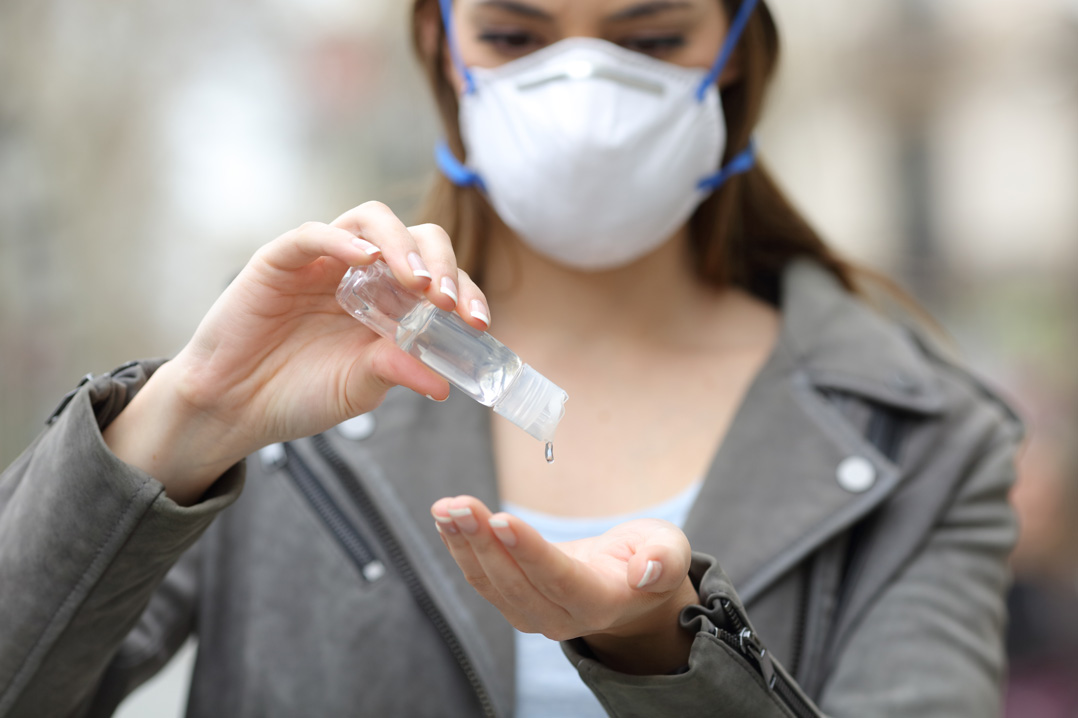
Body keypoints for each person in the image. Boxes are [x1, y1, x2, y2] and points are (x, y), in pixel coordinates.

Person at [0, 0, 1021, 716]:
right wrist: (188, 417)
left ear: (740, 52)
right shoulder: (289, 405)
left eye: (653, 35)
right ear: (442, 47)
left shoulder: (927, 441)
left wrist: (664, 661)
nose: (581, 101)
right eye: (515, 35)